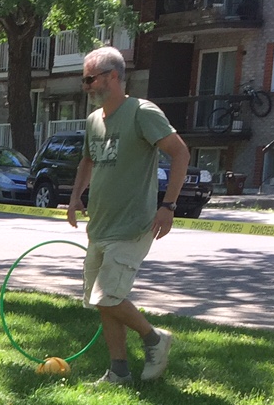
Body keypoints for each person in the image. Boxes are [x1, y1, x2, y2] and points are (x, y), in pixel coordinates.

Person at [66, 45, 188, 386]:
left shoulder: (141, 113)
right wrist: (75, 197)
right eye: (85, 80)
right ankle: (119, 371)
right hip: (100, 226)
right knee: (103, 301)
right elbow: (88, 160)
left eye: (90, 79)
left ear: (112, 77)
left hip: (133, 225)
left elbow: (180, 153)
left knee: (107, 296)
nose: (86, 86)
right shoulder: (94, 120)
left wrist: (169, 205)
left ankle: (154, 339)